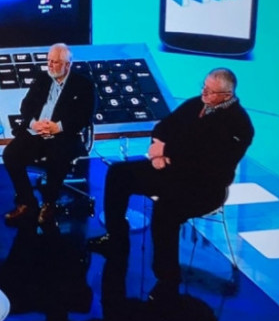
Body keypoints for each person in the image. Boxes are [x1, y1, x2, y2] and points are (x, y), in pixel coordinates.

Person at [88, 68, 254, 301]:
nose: (203, 92)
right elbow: (165, 127)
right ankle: (116, 239)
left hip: (204, 187)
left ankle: (167, 278)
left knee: (166, 209)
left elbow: (207, 160)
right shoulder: (196, 104)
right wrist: (158, 151)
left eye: (210, 91)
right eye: (204, 86)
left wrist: (167, 151)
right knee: (119, 174)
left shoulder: (239, 126)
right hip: (169, 169)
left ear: (227, 95)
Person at [2, 43, 96, 226]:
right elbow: (26, 105)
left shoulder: (83, 84)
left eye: (55, 62)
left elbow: (85, 115)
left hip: (65, 135)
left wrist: (58, 127)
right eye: (49, 61)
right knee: (10, 154)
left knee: (57, 157)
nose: (50, 65)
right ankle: (27, 202)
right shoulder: (42, 78)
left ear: (67, 64)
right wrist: (34, 123)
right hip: (37, 131)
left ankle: (49, 204)